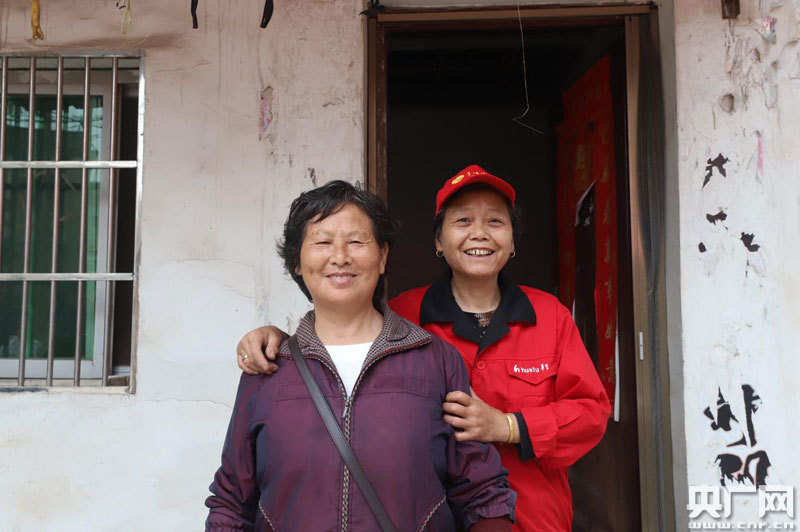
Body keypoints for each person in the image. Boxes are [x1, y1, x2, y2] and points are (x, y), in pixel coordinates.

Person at [236, 165, 610, 531]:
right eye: (463, 221)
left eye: (495, 222)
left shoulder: (549, 315)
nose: (479, 233)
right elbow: (339, 332)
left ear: (512, 242)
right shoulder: (403, 315)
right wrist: (280, 339)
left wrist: (508, 426)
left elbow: (591, 413)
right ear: (438, 241)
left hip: (532, 518)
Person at [206, 180, 515, 531]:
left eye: (356, 241)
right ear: (297, 262)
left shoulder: (436, 361)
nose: (340, 257)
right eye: (322, 242)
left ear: (382, 257)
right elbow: (231, 503)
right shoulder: (268, 369)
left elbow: (482, 493)